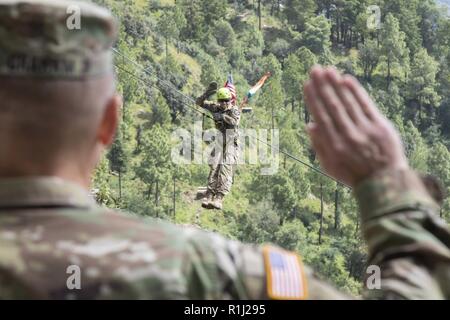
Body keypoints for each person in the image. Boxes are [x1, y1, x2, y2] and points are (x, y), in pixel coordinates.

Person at [0, 0, 449, 300]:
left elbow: (234, 106)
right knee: (222, 170)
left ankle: (215, 193)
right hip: (224, 141)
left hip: (227, 138)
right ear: (109, 122)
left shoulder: (227, 108)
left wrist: (232, 99)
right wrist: (387, 187)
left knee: (223, 169)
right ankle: (214, 194)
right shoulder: (207, 272)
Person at [196, 85, 241, 210]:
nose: (224, 103)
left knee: (225, 168)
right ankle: (209, 194)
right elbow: (199, 102)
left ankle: (219, 197)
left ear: (230, 100)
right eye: (221, 101)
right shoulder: (215, 107)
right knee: (214, 166)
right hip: (220, 140)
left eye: (226, 101)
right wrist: (206, 93)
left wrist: (222, 117)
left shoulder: (234, 110)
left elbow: (234, 122)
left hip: (231, 142)